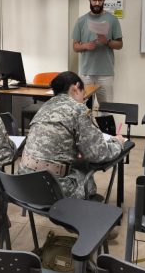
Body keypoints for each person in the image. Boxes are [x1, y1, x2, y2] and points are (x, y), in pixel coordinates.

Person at [18, 71, 126, 199]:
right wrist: (118, 143)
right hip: (52, 189)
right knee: (88, 181)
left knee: (78, 164)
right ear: (76, 87)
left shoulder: (44, 107)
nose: (83, 100)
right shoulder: (78, 109)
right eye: (83, 95)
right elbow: (98, 154)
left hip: (24, 184)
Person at [71, 0, 123, 103]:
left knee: (106, 109)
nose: (97, 3)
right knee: (83, 109)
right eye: (94, 0)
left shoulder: (113, 20)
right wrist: (85, 46)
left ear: (104, 0)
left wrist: (107, 42)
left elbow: (120, 45)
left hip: (106, 74)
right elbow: (75, 46)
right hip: (86, 74)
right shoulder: (81, 21)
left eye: (100, 0)